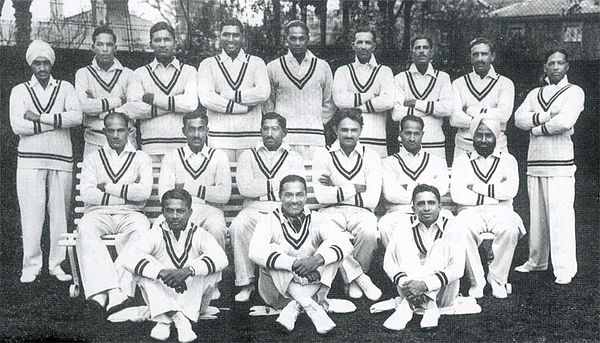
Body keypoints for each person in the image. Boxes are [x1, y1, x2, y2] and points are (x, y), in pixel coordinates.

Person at [9, 40, 82, 283]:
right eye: (37, 63)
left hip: (61, 159)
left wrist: (38, 118)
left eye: (46, 63)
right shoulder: (19, 90)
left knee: (60, 215)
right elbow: (18, 125)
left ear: (51, 64)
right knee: (32, 214)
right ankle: (31, 266)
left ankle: (57, 265)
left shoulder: (66, 87)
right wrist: (54, 123)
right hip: (29, 160)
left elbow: (76, 117)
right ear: (31, 64)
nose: (42, 67)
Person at [115, 189, 228, 342]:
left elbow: (222, 258)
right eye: (170, 211)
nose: (175, 216)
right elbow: (128, 258)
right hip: (163, 292)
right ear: (163, 212)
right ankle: (177, 318)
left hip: (192, 298)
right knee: (143, 266)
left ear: (189, 212)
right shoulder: (155, 233)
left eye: (180, 211)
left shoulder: (199, 234)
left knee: (212, 266)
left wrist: (188, 271)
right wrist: (160, 272)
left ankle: (165, 318)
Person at [248, 175, 354, 334]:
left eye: (299, 194)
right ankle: (310, 305)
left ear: (306, 196)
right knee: (273, 251)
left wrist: (316, 260)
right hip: (278, 295)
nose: (294, 200)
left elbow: (345, 243)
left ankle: (297, 306)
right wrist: (293, 264)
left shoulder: (317, 218)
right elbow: (254, 251)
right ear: (280, 196)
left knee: (331, 247)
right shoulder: (268, 220)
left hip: (312, 286)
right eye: (288, 195)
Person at [514, 49, 584, 285]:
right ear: (544, 66)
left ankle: (564, 268)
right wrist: (545, 116)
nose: (555, 67)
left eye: (560, 63)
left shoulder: (574, 91)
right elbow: (518, 119)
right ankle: (537, 261)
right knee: (537, 215)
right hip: (535, 162)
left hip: (561, 163)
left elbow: (565, 121)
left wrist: (535, 127)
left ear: (567, 66)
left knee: (560, 216)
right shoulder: (535, 93)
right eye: (551, 63)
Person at [77, 112, 152, 312]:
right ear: (104, 132)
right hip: (98, 212)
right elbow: (87, 194)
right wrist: (127, 193)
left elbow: (143, 193)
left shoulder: (141, 158)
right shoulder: (93, 158)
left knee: (143, 230)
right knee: (85, 228)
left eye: (120, 130)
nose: (116, 135)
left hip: (132, 214)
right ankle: (105, 292)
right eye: (111, 130)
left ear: (130, 131)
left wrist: (107, 187)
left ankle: (115, 290)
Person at [230, 112, 305, 302]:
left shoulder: (294, 157)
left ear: (284, 132)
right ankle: (245, 283)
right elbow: (245, 188)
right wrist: (277, 184)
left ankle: (288, 283)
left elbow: (295, 188)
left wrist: (261, 187)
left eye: (275, 129)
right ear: (260, 131)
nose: (269, 133)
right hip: (253, 208)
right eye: (265, 128)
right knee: (239, 224)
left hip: (282, 209)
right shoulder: (248, 155)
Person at [312, 108, 382, 301]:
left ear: (361, 130)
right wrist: (356, 188)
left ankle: (352, 279)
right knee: (333, 236)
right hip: (329, 211)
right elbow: (321, 197)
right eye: (344, 130)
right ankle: (357, 277)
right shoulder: (323, 155)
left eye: (354, 130)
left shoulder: (371, 156)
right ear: (335, 130)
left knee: (369, 232)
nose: (349, 134)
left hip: (362, 212)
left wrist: (336, 190)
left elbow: (372, 199)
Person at [451, 117, 525, 299]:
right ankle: (477, 281)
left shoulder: (508, 160)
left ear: (497, 137)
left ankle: (497, 279)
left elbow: (510, 191)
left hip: (502, 211)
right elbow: (458, 195)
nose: (483, 140)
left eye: (488, 136)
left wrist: (474, 187)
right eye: (479, 135)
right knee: (460, 229)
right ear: (473, 137)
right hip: (469, 211)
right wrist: (495, 195)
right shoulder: (462, 161)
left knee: (510, 229)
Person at [382, 184, 464, 331]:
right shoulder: (403, 225)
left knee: (440, 245)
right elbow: (389, 263)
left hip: (443, 295)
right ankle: (423, 307)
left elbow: (458, 269)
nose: (426, 208)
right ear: (413, 208)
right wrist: (410, 286)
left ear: (440, 206)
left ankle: (417, 304)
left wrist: (424, 286)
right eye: (421, 204)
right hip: (409, 290)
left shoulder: (453, 226)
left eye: (431, 203)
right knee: (403, 244)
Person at [198, 17, 270, 161]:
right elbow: (206, 98)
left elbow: (263, 93)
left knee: (249, 181)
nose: (230, 39)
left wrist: (225, 94)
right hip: (219, 138)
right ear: (220, 36)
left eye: (235, 35)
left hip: (251, 137)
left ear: (242, 37)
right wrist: (242, 108)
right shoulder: (208, 64)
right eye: (226, 34)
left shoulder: (256, 63)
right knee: (221, 182)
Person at [158, 110, 231, 250]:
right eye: (191, 129)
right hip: (178, 210)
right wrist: (207, 194)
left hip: (211, 211)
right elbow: (164, 194)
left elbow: (224, 195)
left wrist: (187, 187)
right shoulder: (172, 156)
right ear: (184, 131)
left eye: (200, 129)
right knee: (159, 227)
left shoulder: (218, 156)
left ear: (207, 130)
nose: (196, 135)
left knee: (217, 228)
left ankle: (215, 270)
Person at [264, 20, 334, 159]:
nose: (297, 43)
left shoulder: (322, 67)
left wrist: (316, 121)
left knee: (314, 177)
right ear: (286, 40)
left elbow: (330, 101)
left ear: (308, 38)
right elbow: (268, 103)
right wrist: (277, 127)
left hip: (314, 138)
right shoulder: (273, 67)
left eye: (301, 38)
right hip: (284, 139)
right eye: (293, 38)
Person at [129, 22, 198, 160]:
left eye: (167, 39)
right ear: (151, 44)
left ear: (175, 43)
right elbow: (133, 109)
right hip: (150, 147)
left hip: (182, 147)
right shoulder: (140, 73)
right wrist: (175, 104)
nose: (162, 44)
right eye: (157, 40)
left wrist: (154, 99)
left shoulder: (189, 71)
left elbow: (191, 104)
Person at [378, 116, 449, 247]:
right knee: (385, 225)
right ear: (400, 134)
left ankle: (438, 263)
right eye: (407, 133)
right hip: (399, 212)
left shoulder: (437, 162)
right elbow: (391, 194)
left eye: (416, 133)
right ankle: (400, 265)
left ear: (422, 134)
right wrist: (425, 186)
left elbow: (442, 189)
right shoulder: (388, 163)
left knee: (452, 223)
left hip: (431, 211)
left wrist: (406, 187)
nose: (412, 138)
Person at [75, 25, 138, 157]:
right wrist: (119, 101)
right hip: (94, 141)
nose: (105, 49)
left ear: (115, 48)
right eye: (100, 44)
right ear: (92, 47)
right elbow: (84, 106)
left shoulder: (128, 74)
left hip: (126, 142)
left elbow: (133, 107)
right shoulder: (83, 74)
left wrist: (102, 113)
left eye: (109, 45)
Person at [332, 26, 394, 157]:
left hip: (377, 139)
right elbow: (340, 101)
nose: (363, 46)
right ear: (353, 45)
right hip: (349, 139)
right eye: (359, 42)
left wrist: (353, 106)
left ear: (374, 46)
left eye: (368, 42)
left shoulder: (384, 71)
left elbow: (387, 102)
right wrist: (371, 95)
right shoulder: (343, 71)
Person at [450, 37, 514, 163]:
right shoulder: (458, 83)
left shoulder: (505, 83)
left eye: (484, 54)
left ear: (492, 56)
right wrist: (491, 118)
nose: (480, 58)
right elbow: (455, 119)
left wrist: (469, 110)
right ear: (470, 57)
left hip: (496, 146)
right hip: (464, 147)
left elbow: (503, 116)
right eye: (476, 54)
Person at [392, 35, 453, 161]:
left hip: (435, 143)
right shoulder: (400, 78)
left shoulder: (443, 78)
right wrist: (433, 109)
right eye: (417, 48)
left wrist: (415, 103)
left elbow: (447, 109)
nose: (421, 51)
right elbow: (397, 114)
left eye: (425, 47)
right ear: (412, 52)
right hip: (408, 144)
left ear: (431, 52)